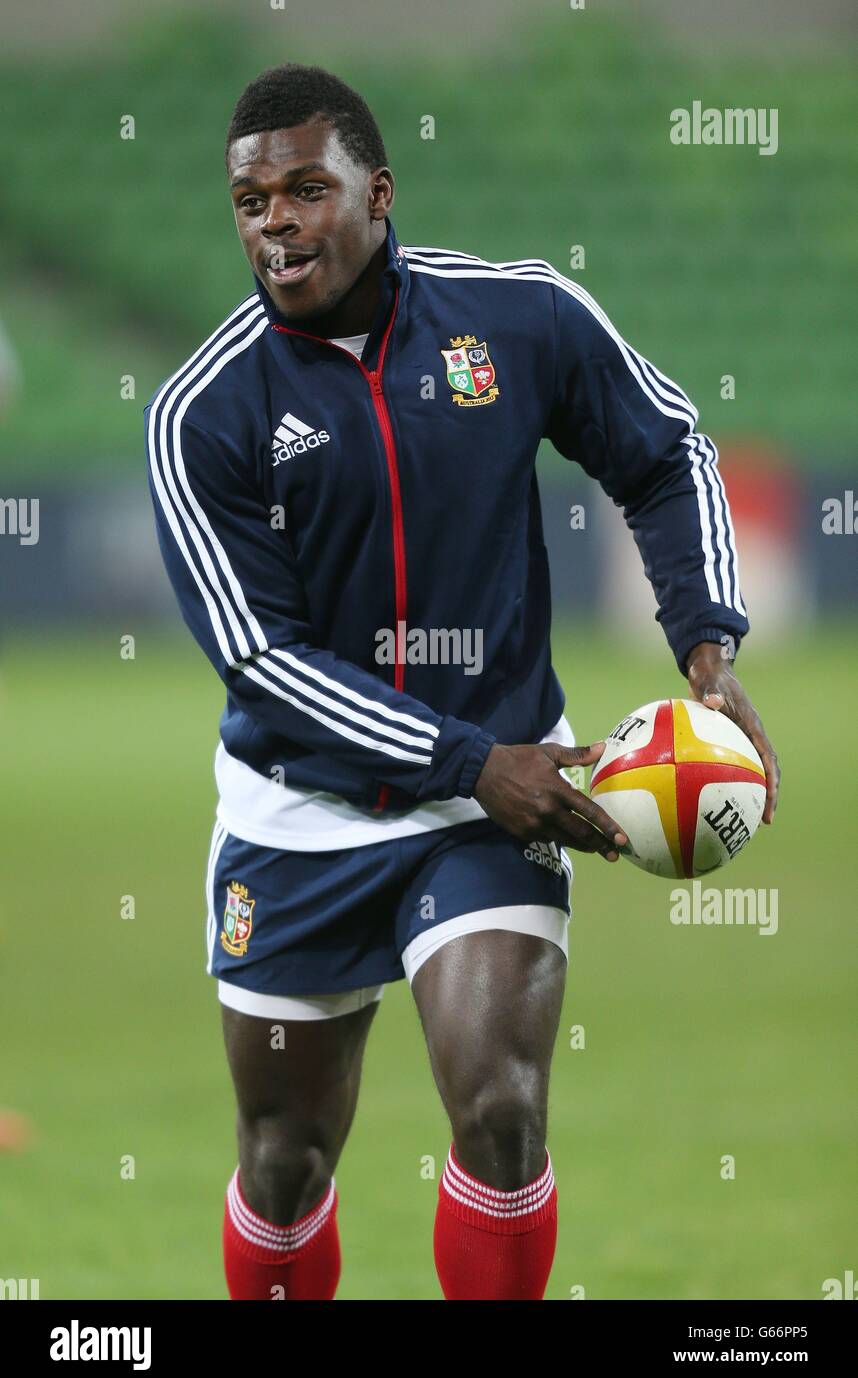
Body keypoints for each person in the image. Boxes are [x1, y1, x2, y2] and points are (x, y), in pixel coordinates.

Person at [144, 63, 779, 1301]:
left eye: (306, 190)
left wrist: (709, 648)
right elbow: (264, 662)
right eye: (251, 200)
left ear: (379, 194)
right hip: (304, 813)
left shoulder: (521, 317)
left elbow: (667, 451)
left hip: (485, 807)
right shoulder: (202, 413)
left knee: (498, 1107)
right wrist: (473, 764)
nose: (275, 221)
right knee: (285, 1160)